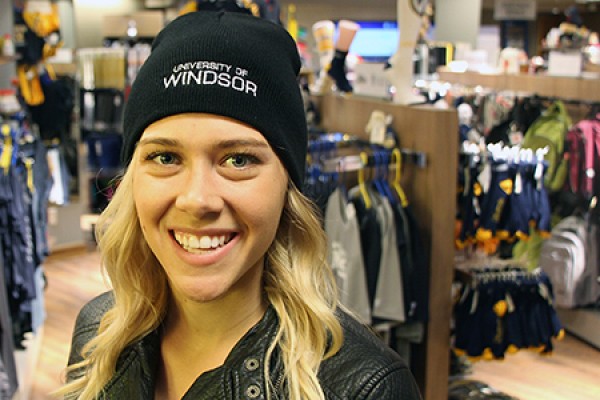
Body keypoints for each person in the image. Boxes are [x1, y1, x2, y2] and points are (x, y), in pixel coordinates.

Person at [58, 9, 422, 400]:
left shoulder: (365, 388)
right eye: (165, 157)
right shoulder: (99, 333)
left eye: (238, 160)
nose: (197, 199)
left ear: (289, 187)